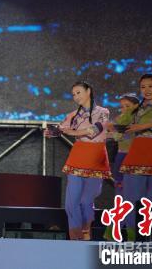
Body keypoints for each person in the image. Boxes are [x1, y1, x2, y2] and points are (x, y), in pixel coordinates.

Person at [46, 81, 111, 241]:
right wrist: (52, 132)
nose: (75, 97)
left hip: (96, 158)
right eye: (73, 94)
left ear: (89, 91)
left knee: (86, 201)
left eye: (78, 92)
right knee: (71, 202)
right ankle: (76, 238)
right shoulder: (73, 115)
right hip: (77, 158)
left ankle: (85, 231)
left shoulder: (103, 112)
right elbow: (60, 129)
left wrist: (71, 131)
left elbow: (94, 131)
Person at [119, 74, 152, 240]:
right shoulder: (135, 109)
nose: (146, 90)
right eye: (143, 87)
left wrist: (138, 127)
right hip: (137, 155)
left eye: (150, 86)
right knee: (132, 200)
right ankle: (132, 238)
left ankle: (151, 240)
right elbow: (120, 125)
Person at [103, 93, 139, 241]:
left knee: (132, 199)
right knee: (121, 198)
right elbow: (110, 132)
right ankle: (114, 231)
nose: (124, 109)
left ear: (136, 106)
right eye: (122, 106)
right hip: (121, 158)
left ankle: (122, 232)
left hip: (136, 159)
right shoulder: (119, 119)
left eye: (127, 106)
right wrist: (112, 130)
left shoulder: (140, 121)